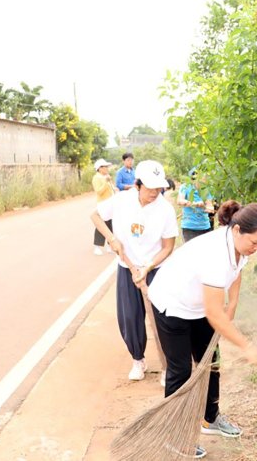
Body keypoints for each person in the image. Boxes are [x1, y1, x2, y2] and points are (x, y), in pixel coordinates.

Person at [148, 200, 257, 458]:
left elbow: (237, 271)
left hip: (198, 306)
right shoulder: (215, 253)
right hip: (173, 304)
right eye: (255, 243)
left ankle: (210, 418)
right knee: (181, 371)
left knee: (211, 361)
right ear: (237, 230)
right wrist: (247, 346)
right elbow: (215, 314)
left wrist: (234, 301)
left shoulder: (241, 246)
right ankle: (174, 434)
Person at [91, 160, 178, 381]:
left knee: (163, 318)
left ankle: (169, 365)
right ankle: (138, 360)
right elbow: (95, 216)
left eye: (159, 188)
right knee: (129, 318)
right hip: (126, 266)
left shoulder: (165, 209)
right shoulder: (122, 200)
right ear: (138, 185)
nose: (155, 193)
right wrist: (111, 239)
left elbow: (168, 247)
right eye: (150, 188)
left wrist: (147, 267)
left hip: (155, 269)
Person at [177, 168, 215, 242]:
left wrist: (205, 207)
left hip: (205, 226)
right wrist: (195, 204)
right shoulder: (185, 187)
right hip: (189, 226)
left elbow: (210, 207)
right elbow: (179, 201)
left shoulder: (206, 189)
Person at [92, 158, 117, 256]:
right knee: (101, 224)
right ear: (100, 168)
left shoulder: (106, 177)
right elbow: (99, 191)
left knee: (110, 224)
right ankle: (97, 246)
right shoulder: (96, 178)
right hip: (103, 203)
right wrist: (106, 183)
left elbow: (111, 189)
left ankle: (109, 245)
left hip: (110, 203)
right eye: (105, 167)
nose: (107, 168)